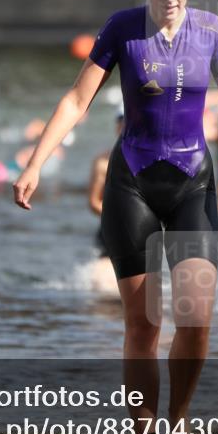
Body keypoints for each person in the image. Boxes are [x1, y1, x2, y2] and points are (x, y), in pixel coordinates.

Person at [12, 0, 218, 434]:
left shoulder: (211, 31)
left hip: (193, 183)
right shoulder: (123, 29)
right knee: (143, 325)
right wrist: (34, 163)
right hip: (133, 186)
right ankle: (143, 433)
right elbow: (78, 100)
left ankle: (181, 418)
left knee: (196, 319)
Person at [86, 105, 125, 296]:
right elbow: (94, 202)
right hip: (111, 229)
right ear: (117, 126)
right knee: (103, 289)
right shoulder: (103, 162)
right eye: (122, 121)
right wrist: (124, 216)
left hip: (148, 230)